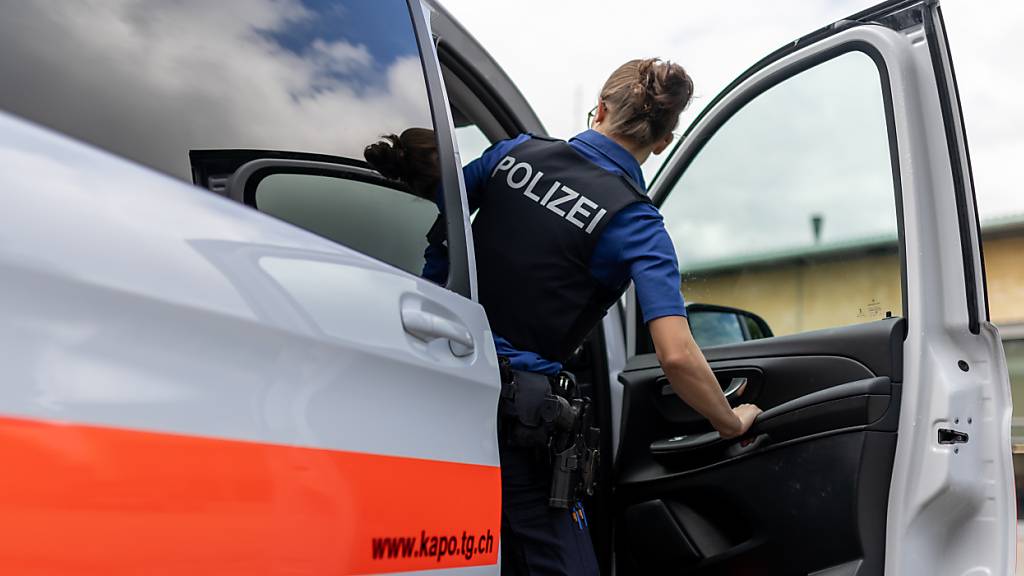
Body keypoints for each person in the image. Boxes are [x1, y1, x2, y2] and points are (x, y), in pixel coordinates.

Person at [366, 58, 762, 576]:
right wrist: (730, 421)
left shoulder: (515, 153)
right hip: (516, 418)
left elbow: (445, 202)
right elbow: (677, 354)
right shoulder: (638, 225)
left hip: (426, 376)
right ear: (663, 141)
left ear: (598, 109)